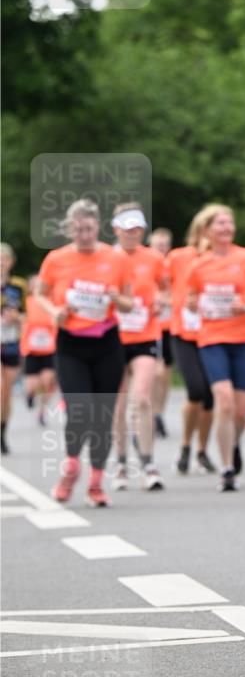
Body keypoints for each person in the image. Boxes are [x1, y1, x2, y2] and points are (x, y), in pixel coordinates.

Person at [35, 199, 132, 506]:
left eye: (89, 228)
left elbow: (130, 303)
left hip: (106, 342)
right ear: (70, 229)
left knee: (103, 415)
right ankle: (72, 467)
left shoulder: (115, 259)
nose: (85, 235)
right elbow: (39, 292)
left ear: (97, 227)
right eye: (78, 229)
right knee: (79, 410)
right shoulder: (56, 259)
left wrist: (118, 298)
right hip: (70, 343)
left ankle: (96, 482)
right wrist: (55, 312)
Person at [185, 204, 245, 492]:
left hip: (243, 338)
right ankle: (226, 469)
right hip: (211, 338)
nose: (225, 227)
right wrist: (193, 304)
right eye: (219, 223)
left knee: (240, 409)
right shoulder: (199, 265)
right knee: (223, 399)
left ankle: (232, 443)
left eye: (229, 223)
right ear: (207, 230)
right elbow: (190, 299)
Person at [111, 204, 168, 492]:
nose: (133, 234)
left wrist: (161, 300)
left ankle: (148, 463)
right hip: (112, 337)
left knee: (142, 399)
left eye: (137, 229)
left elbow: (168, 288)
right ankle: (121, 463)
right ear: (116, 229)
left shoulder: (154, 258)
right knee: (119, 404)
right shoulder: (106, 258)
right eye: (127, 228)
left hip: (145, 335)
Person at [167, 223, 216, 475]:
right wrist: (174, 301)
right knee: (195, 389)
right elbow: (158, 284)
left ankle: (201, 450)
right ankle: (186, 445)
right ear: (198, 231)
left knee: (210, 395)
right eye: (207, 230)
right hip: (184, 332)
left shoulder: (220, 260)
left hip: (213, 332)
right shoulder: (177, 257)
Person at [20, 275, 58, 425]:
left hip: (49, 348)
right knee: (33, 384)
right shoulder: (26, 302)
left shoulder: (50, 302)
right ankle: (29, 395)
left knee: (47, 381)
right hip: (31, 349)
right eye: (34, 285)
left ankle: (42, 411)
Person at [1, 243, 27, 454]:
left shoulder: (19, 286)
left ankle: (3, 432)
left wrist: (16, 318)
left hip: (10, 343)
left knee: (6, 393)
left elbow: (30, 315)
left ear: (11, 262)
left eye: (4, 260)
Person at [148, 228, 174, 438]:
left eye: (164, 245)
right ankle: (147, 411)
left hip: (169, 327)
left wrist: (167, 300)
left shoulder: (173, 267)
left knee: (165, 375)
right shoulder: (144, 265)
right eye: (157, 245)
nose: (161, 249)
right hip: (148, 327)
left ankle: (159, 413)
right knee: (154, 372)